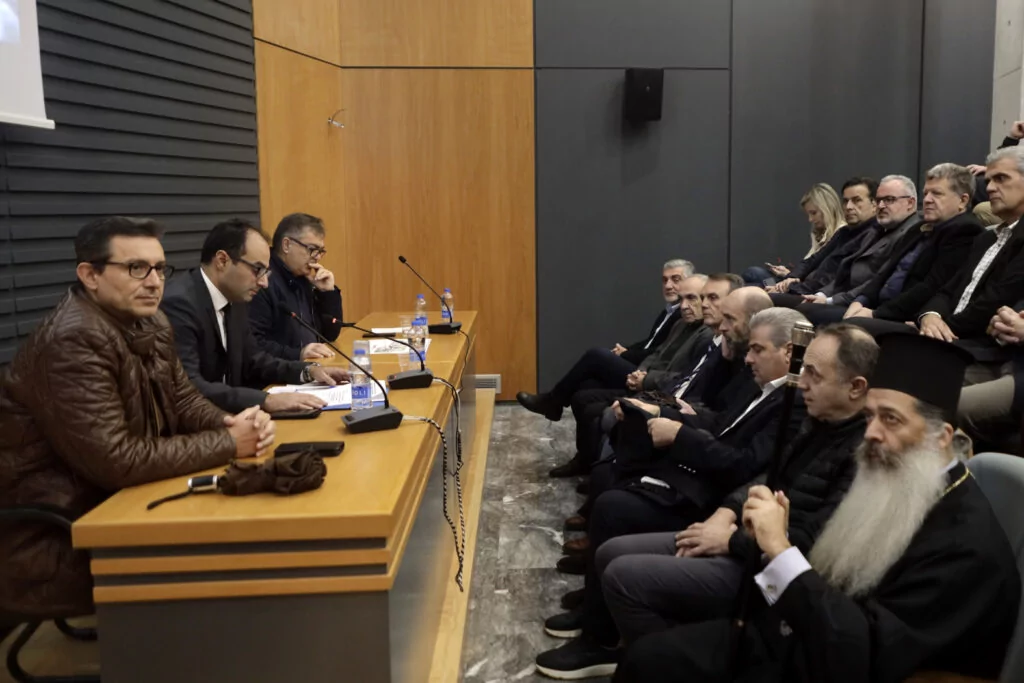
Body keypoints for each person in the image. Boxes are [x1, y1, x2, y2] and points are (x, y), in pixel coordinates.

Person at [614, 333, 1021, 683]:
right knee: (651, 656)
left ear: (941, 438)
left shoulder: (964, 548)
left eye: (891, 420)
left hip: (835, 661)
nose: (871, 433)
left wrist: (778, 549)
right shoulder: (894, 482)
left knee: (652, 660)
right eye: (870, 417)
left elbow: (863, 653)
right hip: (801, 632)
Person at [0, 217, 276, 618]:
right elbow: (118, 460)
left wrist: (228, 424)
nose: (154, 282)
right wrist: (230, 443)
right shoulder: (72, 340)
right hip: (59, 533)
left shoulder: (151, 321)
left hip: (118, 501)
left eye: (159, 269)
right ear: (90, 275)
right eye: (136, 268)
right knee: (229, 553)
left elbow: (184, 400)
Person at [535, 309, 809, 680]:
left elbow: (742, 465)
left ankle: (600, 639)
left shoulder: (792, 404)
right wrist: (670, 413)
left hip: (715, 498)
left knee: (615, 506)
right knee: (614, 475)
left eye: (757, 350)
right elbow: (719, 422)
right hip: (705, 479)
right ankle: (598, 612)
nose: (748, 358)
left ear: (789, 352)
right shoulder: (761, 386)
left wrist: (680, 434)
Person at [599, 325, 875, 649]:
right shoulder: (818, 422)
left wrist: (730, 541)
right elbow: (768, 476)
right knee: (610, 551)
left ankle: (661, 658)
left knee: (623, 576)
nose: (802, 383)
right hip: (744, 537)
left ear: (856, 387)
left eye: (814, 375)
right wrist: (725, 513)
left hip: (766, 569)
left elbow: (811, 543)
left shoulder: (861, 453)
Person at [162, 219, 349, 414]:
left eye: (266, 272)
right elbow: (189, 386)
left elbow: (255, 360)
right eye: (257, 270)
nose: (264, 283)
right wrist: (265, 400)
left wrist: (308, 371)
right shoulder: (180, 304)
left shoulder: (234, 297)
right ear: (222, 261)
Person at [552, 274, 709, 478]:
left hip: (662, 395)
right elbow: (656, 353)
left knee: (595, 367)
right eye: (682, 299)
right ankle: (585, 460)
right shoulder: (680, 325)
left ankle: (595, 465)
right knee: (583, 391)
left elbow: (684, 377)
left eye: (692, 298)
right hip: (646, 382)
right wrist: (639, 372)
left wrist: (645, 379)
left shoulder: (705, 335)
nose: (684, 306)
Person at [802, 164, 981, 326]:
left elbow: (930, 287)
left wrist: (875, 314)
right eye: (926, 193)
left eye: (937, 194)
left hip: (905, 317)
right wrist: (861, 301)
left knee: (809, 313)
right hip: (877, 307)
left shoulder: (965, 231)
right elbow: (884, 273)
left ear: (963, 201)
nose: (927, 199)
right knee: (805, 310)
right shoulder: (919, 228)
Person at [516, 259, 693, 421]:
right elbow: (649, 342)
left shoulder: (683, 316)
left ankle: (552, 401)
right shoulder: (669, 311)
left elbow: (657, 353)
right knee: (585, 386)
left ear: (689, 282)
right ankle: (560, 413)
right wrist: (625, 350)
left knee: (596, 355)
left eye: (675, 279)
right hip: (640, 366)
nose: (668, 285)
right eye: (664, 280)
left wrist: (625, 355)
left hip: (647, 375)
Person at [916, 146, 1024, 378]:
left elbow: (996, 300)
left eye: (1001, 178)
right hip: (952, 337)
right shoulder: (986, 238)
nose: (990, 187)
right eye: (989, 180)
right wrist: (930, 316)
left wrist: (944, 328)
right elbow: (948, 290)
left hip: (984, 349)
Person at [797, 175, 921, 309]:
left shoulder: (912, 233)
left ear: (910, 203)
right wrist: (821, 295)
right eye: (879, 200)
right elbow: (844, 271)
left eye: (889, 200)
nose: (880, 205)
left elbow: (877, 280)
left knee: (803, 308)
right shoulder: (875, 231)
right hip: (841, 297)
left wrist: (830, 300)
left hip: (864, 305)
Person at [248, 213, 344, 361]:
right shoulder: (262, 281)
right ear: (286, 245)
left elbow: (329, 335)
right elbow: (253, 344)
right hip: (278, 372)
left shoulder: (303, 278)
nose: (317, 257)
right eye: (312, 249)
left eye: (320, 251)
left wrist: (327, 294)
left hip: (309, 367)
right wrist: (298, 354)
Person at [770, 177, 878, 295]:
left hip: (817, 294)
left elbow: (834, 278)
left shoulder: (871, 236)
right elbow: (813, 260)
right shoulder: (843, 232)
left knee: (758, 284)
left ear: (874, 204)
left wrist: (792, 286)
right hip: (805, 288)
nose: (848, 207)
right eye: (845, 201)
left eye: (857, 200)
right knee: (758, 282)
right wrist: (792, 277)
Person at [747, 183, 845, 286]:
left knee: (754, 276)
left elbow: (821, 274)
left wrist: (792, 276)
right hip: (796, 281)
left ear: (828, 208)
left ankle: (767, 289)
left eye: (814, 213)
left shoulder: (842, 234)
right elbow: (807, 266)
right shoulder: (818, 233)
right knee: (754, 275)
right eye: (808, 214)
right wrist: (789, 273)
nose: (810, 219)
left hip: (807, 287)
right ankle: (767, 288)